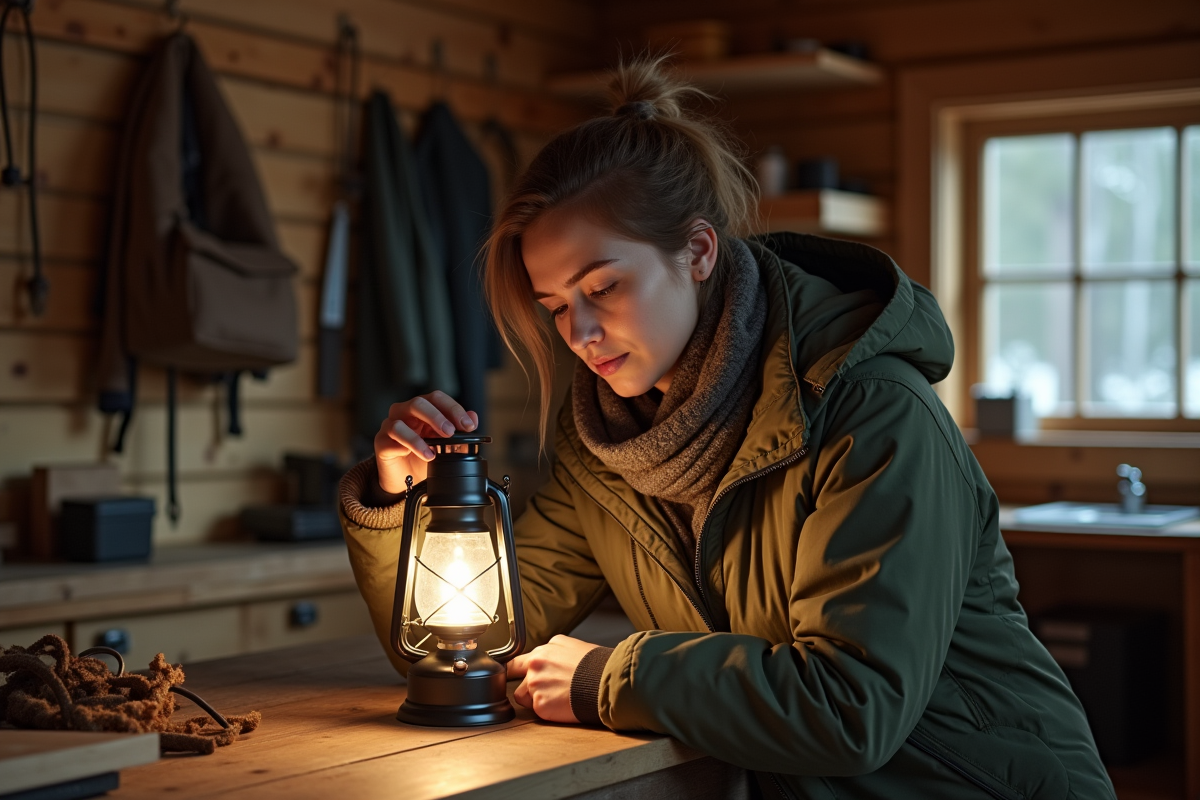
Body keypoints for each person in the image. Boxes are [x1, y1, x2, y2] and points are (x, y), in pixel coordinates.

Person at [338, 56, 1114, 799]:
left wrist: (614, 678)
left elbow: (851, 708)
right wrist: (400, 504)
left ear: (698, 251)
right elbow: (474, 650)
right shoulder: (604, 441)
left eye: (603, 287)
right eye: (555, 307)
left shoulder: (872, 417)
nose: (578, 333)